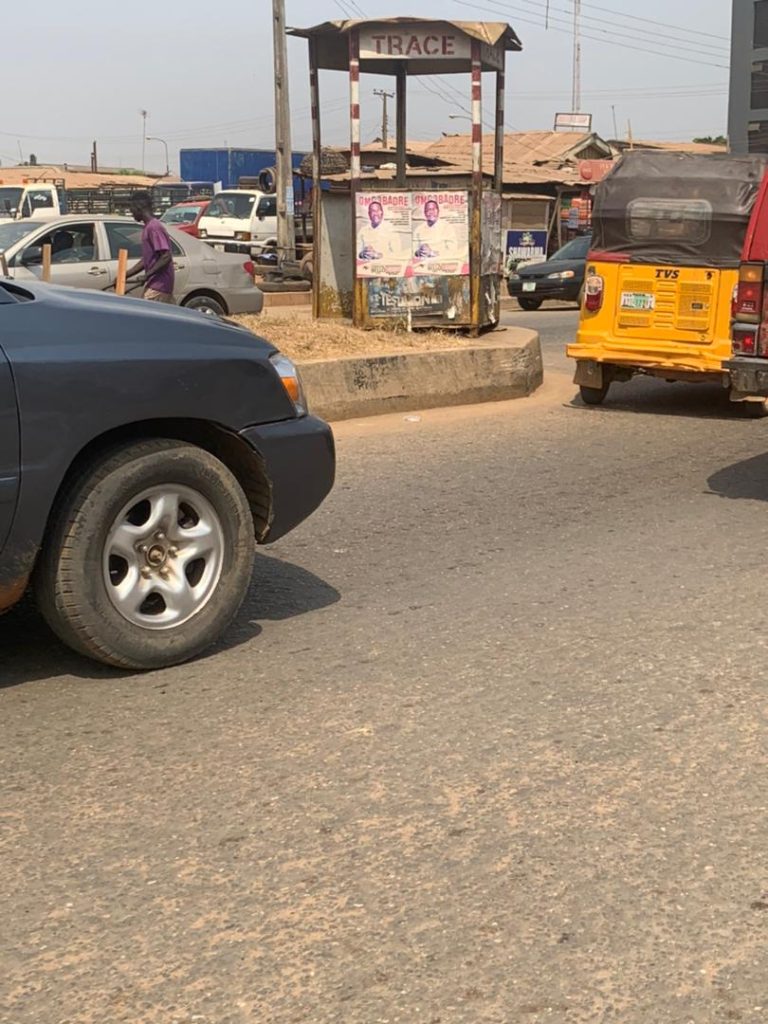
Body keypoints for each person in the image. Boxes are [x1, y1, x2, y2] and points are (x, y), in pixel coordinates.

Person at [125, 191, 175, 303]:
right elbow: (147, 260)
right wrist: (126, 274)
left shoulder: (154, 227)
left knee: (145, 316)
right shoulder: (148, 227)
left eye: (131, 209)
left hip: (159, 286)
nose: (131, 213)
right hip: (156, 284)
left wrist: (147, 275)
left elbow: (166, 256)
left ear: (138, 207)